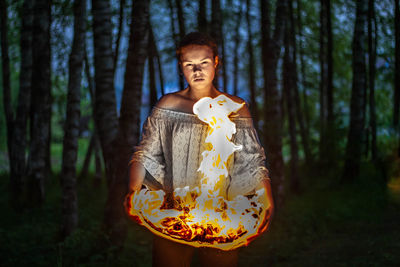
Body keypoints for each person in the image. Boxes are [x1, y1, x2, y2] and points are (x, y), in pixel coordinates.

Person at [128, 32, 274, 267]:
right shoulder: (168, 106)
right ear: (181, 67)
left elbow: (252, 160)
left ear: (216, 62)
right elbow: (146, 152)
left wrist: (266, 198)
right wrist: (134, 189)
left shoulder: (235, 108)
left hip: (220, 214)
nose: (197, 71)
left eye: (204, 63)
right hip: (173, 213)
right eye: (189, 65)